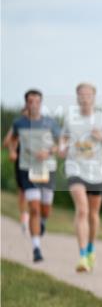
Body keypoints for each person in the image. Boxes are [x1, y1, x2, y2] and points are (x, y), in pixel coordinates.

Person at [60, 82, 102, 272]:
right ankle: (82, 257)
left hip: (96, 172)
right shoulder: (70, 118)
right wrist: (62, 148)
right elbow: (63, 137)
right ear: (77, 97)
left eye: (88, 95)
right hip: (75, 169)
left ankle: (90, 249)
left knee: (93, 215)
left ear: (94, 97)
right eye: (81, 94)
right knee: (82, 210)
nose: (85, 98)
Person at [5, 90, 61, 262]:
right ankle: (36, 248)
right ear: (26, 103)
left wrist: (49, 152)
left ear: (41, 103)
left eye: (37, 101)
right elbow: (12, 140)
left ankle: (43, 221)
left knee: (45, 208)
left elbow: (60, 144)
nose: (34, 105)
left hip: (47, 168)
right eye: (30, 101)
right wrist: (13, 151)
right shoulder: (19, 123)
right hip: (26, 168)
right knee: (34, 208)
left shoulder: (50, 123)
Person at [3, 105, 31, 234]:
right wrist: (12, 151)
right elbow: (6, 142)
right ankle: (24, 216)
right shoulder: (17, 126)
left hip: (35, 162)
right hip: (21, 162)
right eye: (25, 112)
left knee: (34, 190)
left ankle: (31, 215)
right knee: (22, 191)